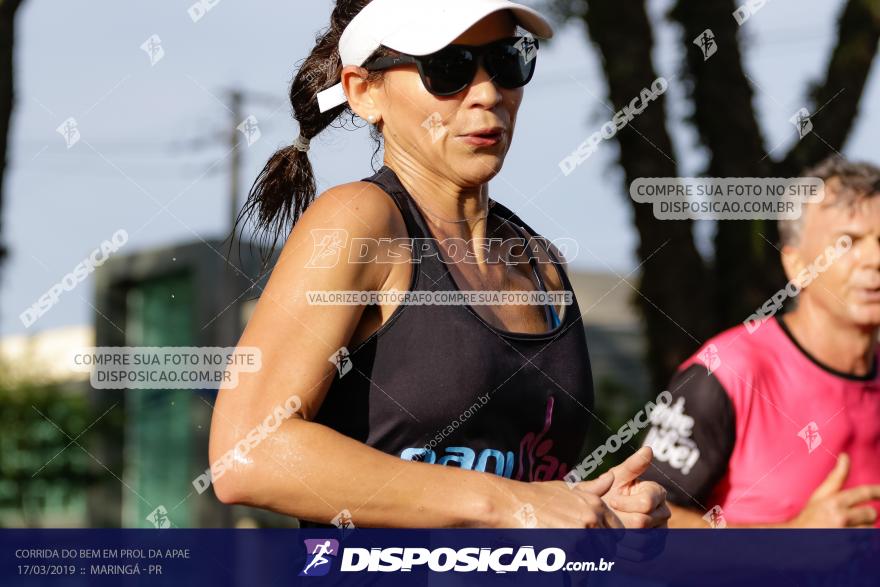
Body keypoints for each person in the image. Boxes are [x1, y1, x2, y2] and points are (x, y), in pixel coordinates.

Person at [208, 0, 670, 529]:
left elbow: (512, 489)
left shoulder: (539, 262)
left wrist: (598, 517)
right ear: (364, 91)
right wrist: (506, 505)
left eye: (507, 60)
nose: (489, 92)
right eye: (447, 68)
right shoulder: (359, 223)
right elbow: (246, 453)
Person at [640, 157, 880, 528]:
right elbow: (638, 524)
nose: (874, 259)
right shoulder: (725, 374)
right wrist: (790, 543)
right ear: (797, 266)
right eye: (847, 242)